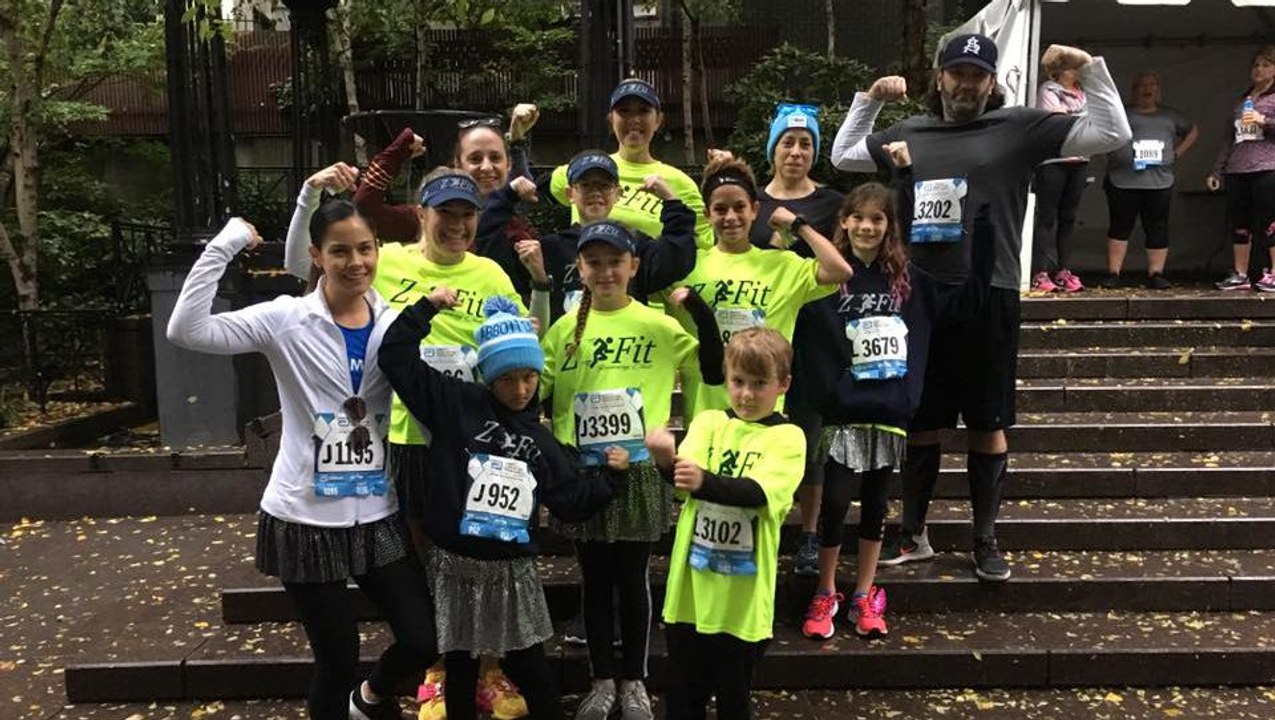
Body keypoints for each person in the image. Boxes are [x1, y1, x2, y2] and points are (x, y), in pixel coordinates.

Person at [831, 34, 1130, 581]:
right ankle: (914, 533)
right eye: (957, 73)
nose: (965, 84)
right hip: (920, 296)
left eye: (977, 75)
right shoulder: (911, 131)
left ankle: (984, 538)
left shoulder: (1020, 127)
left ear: (992, 83)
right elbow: (844, 154)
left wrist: (1088, 68)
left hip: (990, 290)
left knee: (987, 422)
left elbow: (1112, 133)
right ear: (940, 77)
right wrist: (869, 100)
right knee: (921, 420)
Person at [287, 165, 543, 720]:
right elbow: (316, 274)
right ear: (420, 214)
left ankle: (488, 670)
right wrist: (311, 196)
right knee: (427, 559)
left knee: (482, 552)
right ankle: (438, 672)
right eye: (445, 214)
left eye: (467, 215)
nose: (457, 225)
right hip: (404, 435)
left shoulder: (491, 272)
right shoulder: (387, 261)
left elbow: (518, 342)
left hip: (473, 440)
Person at [167, 207, 438, 720]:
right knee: (337, 659)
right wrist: (225, 244)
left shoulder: (393, 324)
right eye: (340, 251)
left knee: (423, 638)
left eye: (365, 248)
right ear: (316, 256)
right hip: (305, 517)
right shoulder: (286, 319)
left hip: (375, 511)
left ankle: (369, 699)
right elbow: (187, 329)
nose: (356, 262)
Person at [378, 291, 628, 720]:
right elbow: (396, 357)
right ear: (489, 377)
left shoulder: (540, 440)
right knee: (459, 664)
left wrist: (612, 477)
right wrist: (426, 308)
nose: (521, 389)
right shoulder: (455, 402)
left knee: (530, 665)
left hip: (512, 569)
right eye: (507, 378)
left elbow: (571, 502)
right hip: (455, 562)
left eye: (529, 377)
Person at [539, 221, 723, 720]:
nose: (605, 272)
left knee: (633, 577)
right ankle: (602, 680)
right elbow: (539, 394)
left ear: (634, 266)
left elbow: (713, 368)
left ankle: (635, 681)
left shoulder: (657, 324)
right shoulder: (564, 330)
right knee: (595, 580)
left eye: (615, 262)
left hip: (639, 468)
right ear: (579, 269)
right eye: (594, 263)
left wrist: (698, 310)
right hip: (585, 472)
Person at [645, 326, 805, 720]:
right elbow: (685, 480)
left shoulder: (789, 437)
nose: (746, 394)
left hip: (742, 604)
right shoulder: (709, 422)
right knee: (683, 700)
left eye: (759, 384)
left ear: (783, 384)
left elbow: (757, 492)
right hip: (690, 596)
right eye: (738, 381)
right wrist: (665, 461)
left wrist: (703, 481)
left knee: (734, 700)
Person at [746, 102, 847, 579]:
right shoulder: (752, 203)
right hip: (763, 332)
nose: (796, 151)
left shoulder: (831, 202)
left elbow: (844, 260)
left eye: (806, 143)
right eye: (787, 141)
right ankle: (753, 520)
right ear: (773, 148)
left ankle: (808, 533)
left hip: (817, 331)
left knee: (809, 435)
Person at [673, 155, 852, 420]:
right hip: (705, 418)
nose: (731, 217)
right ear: (707, 214)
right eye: (720, 209)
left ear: (755, 210)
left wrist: (799, 226)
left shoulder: (782, 265)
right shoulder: (686, 266)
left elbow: (840, 271)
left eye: (739, 207)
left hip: (764, 419)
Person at [339, 105, 545, 300]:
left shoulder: (516, 230)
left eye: (495, 158)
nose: (486, 167)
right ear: (457, 164)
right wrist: (395, 154)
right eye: (475, 159)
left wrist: (516, 142)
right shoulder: (427, 218)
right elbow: (364, 212)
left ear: (508, 165)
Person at [548, 79, 714, 250]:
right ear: (611, 119)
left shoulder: (681, 184)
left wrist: (720, 178)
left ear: (658, 120)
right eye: (624, 111)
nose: (634, 119)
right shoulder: (580, 171)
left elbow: (704, 247)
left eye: (643, 111)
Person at [537, 150, 697, 321]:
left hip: (627, 336)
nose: (595, 192)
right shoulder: (551, 248)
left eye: (604, 186)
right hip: (570, 336)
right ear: (570, 194)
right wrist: (515, 195)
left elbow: (677, 260)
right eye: (585, 185)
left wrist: (671, 201)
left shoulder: (635, 244)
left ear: (618, 194)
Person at [1100, 71, 1199, 290]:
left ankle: (1156, 273)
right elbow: (1102, 132)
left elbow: (1192, 131)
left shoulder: (1169, 116)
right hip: (1122, 180)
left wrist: (1176, 154)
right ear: (1134, 89)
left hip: (1159, 182)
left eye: (1152, 84)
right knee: (1119, 226)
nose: (1147, 89)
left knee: (1157, 227)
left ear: (1158, 89)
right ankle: (1113, 273)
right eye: (1142, 85)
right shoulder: (1121, 114)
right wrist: (1110, 156)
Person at [1211, 46, 1275, 292]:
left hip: (1267, 166)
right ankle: (1240, 273)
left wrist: (1264, 121)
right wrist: (1217, 170)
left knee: (1270, 220)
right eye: (1256, 65)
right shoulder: (1242, 100)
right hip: (1238, 168)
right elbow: (1229, 138)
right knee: (1240, 221)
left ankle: (1273, 272)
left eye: (1266, 65)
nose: (1259, 70)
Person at [1031, 53, 1091, 293]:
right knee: (1047, 217)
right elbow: (1056, 121)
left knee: (1069, 217)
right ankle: (1040, 272)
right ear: (1060, 70)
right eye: (1072, 67)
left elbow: (1098, 120)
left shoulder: (1086, 93)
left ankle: (1064, 271)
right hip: (1053, 160)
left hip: (1080, 159)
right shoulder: (1048, 89)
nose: (1077, 71)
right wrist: (1082, 122)